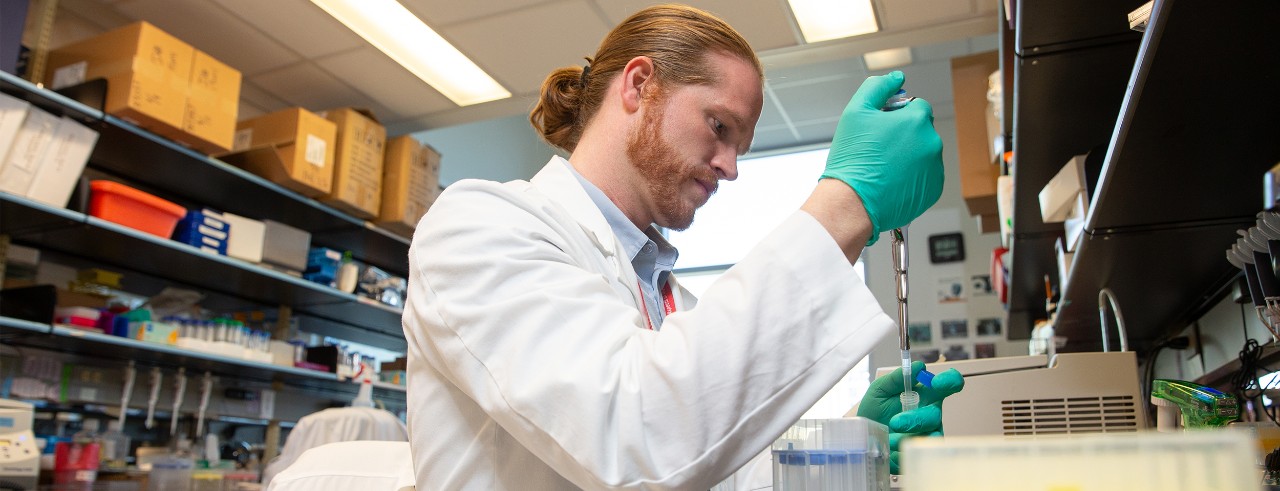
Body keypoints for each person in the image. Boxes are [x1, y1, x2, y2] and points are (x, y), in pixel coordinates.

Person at [402, 4, 962, 490]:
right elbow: (632, 433)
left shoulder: (671, 301)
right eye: (719, 126)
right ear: (639, 85)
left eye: (740, 146)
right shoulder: (479, 224)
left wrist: (855, 447)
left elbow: (717, 472)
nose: (730, 168)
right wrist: (845, 205)